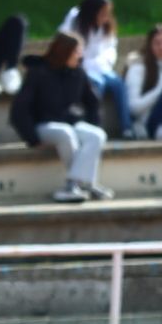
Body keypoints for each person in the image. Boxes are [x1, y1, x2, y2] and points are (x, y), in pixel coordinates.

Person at [9, 32, 114, 203]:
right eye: (76, 52)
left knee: (96, 135)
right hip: (43, 125)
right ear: (64, 51)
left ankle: (80, 184)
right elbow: (19, 110)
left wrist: (92, 122)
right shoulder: (37, 73)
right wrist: (32, 138)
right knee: (65, 132)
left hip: (70, 122)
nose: (80, 56)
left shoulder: (78, 73)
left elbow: (92, 102)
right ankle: (78, 185)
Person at [58, 0, 135, 139]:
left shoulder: (107, 26)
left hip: (103, 68)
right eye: (102, 13)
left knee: (119, 85)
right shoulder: (74, 21)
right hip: (82, 68)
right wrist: (89, 65)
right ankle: (94, 125)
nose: (105, 17)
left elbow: (111, 49)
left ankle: (127, 128)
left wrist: (103, 63)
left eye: (108, 13)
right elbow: (66, 45)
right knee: (96, 85)